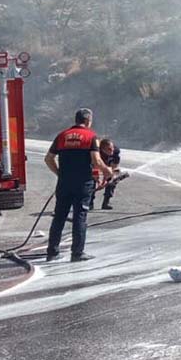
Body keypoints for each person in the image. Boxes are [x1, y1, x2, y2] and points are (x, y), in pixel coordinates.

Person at [45, 108, 111, 262]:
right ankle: (77, 253)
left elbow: (48, 158)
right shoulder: (91, 136)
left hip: (64, 183)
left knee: (59, 216)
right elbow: (96, 160)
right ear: (88, 120)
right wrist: (107, 171)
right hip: (83, 183)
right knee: (79, 216)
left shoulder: (62, 136)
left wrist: (59, 173)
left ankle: (52, 252)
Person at [90, 138, 121, 210]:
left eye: (112, 148)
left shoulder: (116, 151)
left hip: (108, 165)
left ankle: (106, 202)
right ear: (103, 149)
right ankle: (90, 202)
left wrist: (107, 180)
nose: (112, 151)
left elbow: (114, 168)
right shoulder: (96, 152)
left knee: (113, 181)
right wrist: (98, 181)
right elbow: (94, 166)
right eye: (109, 149)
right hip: (97, 164)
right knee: (91, 180)